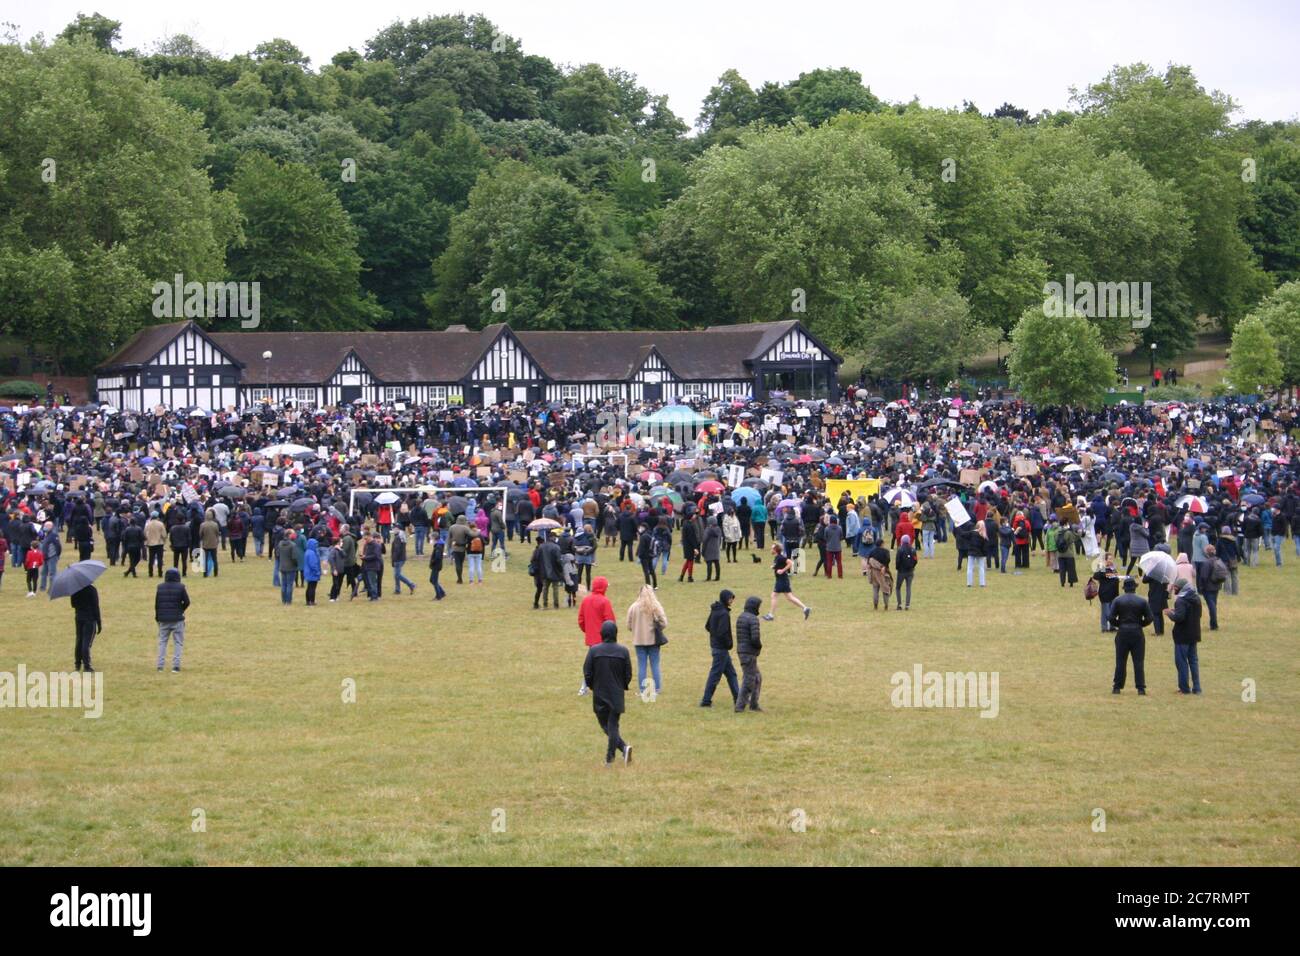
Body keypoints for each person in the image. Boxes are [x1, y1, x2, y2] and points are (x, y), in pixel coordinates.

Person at [582, 620, 633, 766]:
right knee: (612, 725)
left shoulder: (594, 651)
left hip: (599, 693)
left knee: (608, 725)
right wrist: (622, 686)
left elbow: (587, 672)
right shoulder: (623, 651)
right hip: (616, 694)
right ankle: (624, 748)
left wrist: (592, 686)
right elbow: (628, 673)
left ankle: (610, 759)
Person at [1108, 577, 1152, 694]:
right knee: (1138, 661)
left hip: (1122, 633)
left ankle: (1117, 687)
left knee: (1120, 661)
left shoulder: (1118, 600)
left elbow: (1111, 617)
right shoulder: (1142, 601)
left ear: (1124, 588)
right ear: (1134, 588)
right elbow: (1150, 618)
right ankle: (1141, 688)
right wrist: (1140, 624)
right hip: (1137, 633)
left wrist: (1120, 624)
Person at [626, 584, 668, 696]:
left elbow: (629, 625)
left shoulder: (633, 607)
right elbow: (664, 622)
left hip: (639, 640)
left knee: (641, 665)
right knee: (655, 664)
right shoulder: (655, 606)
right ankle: (657, 689)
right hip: (653, 640)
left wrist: (636, 629)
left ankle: (642, 690)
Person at [700, 589, 739, 708]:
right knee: (715, 675)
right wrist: (728, 644)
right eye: (730, 598)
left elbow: (707, 626)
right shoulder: (724, 613)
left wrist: (714, 636)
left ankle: (738, 698)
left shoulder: (715, 610)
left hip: (716, 647)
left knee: (731, 674)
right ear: (726, 599)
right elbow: (722, 633)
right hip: (721, 649)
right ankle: (706, 701)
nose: (732, 600)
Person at [1165, 578, 1203, 694]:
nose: (1174, 589)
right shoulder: (1196, 598)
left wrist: (1170, 613)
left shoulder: (1180, 601)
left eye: (1176, 587)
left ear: (1181, 588)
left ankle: (1184, 688)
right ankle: (1197, 688)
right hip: (1194, 634)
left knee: (1181, 662)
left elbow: (1179, 618)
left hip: (1182, 636)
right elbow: (1198, 615)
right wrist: (1176, 611)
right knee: (1193, 661)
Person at [155, 567, 191, 672]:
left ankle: (160, 666)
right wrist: (181, 610)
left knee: (162, 642)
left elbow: (157, 604)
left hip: (163, 620)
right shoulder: (181, 587)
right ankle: (176, 666)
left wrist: (158, 617)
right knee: (178, 642)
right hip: (177, 619)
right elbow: (187, 602)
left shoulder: (160, 587)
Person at [765, 543, 810, 621]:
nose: (771, 550)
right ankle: (805, 608)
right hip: (782, 580)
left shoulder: (780, 557)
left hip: (782, 580)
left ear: (775, 550)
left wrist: (782, 570)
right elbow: (779, 565)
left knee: (774, 596)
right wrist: (774, 567)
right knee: (790, 597)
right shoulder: (777, 558)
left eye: (772, 548)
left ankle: (771, 615)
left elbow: (791, 563)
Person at [735, 595, 764, 712]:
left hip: (742, 651)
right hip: (749, 653)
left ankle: (754, 704)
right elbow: (755, 638)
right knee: (749, 679)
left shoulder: (741, 617)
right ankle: (740, 706)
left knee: (757, 677)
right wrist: (759, 646)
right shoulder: (753, 619)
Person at [71, 582, 101, 673]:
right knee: (86, 642)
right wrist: (99, 622)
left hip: (79, 617)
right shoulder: (92, 590)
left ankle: (77, 664)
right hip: (89, 618)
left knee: (79, 640)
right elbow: (96, 607)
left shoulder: (74, 589)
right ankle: (87, 666)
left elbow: (73, 604)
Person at [1196, 544, 1227, 631]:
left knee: (1211, 606)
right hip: (1216, 586)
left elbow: (1203, 577)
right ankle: (1213, 624)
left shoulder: (1207, 563)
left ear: (1206, 553)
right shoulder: (1218, 560)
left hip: (1208, 588)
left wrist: (1201, 587)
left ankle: (1214, 625)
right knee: (1213, 605)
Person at [1091, 553, 1120, 632]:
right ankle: (1106, 627)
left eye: (1111, 559)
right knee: (1107, 612)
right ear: (1105, 560)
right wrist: (1102, 567)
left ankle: (1110, 627)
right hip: (1105, 594)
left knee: (1110, 611)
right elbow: (1095, 576)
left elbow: (1116, 578)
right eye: (1109, 559)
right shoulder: (1102, 568)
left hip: (1113, 593)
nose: (1111, 561)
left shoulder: (1113, 568)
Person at [390, 526, 416, 595]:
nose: (394, 530)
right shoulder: (401, 536)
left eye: (396, 529)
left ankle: (411, 584)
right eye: (394, 528)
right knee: (396, 575)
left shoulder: (398, 538)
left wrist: (394, 559)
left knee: (397, 575)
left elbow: (397, 550)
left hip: (398, 559)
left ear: (399, 529)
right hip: (401, 558)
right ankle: (397, 590)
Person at [894, 534, 917, 610]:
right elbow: (915, 560)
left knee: (898, 588)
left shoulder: (900, 549)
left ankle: (899, 604)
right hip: (910, 571)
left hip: (901, 571)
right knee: (908, 588)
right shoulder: (913, 549)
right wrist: (912, 567)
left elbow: (897, 561)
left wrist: (898, 568)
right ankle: (907, 605)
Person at [276, 530, 299, 604]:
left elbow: (277, 554)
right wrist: (296, 564)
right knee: (289, 584)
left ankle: (284, 600)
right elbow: (294, 557)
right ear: (289, 535)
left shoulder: (280, 544)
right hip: (291, 567)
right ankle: (288, 601)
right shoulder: (293, 545)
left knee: (284, 584)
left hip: (282, 566)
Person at [39, 521, 61, 593]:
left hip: (52, 556)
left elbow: (58, 546)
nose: (44, 527)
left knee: (52, 573)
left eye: (46, 526)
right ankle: (42, 587)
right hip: (45, 557)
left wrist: (57, 555)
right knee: (43, 573)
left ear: (51, 527)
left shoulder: (54, 535)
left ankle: (52, 588)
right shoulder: (46, 534)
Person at [200, 508, 221, 577]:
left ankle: (205, 573)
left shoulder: (203, 525)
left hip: (205, 544)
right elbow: (217, 533)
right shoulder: (215, 524)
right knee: (214, 559)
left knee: (205, 559)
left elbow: (200, 534)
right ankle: (216, 573)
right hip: (213, 544)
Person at [302, 538, 322, 606]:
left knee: (309, 587)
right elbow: (313, 564)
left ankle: (308, 601)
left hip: (308, 572)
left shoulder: (307, 551)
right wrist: (317, 572)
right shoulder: (312, 553)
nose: (316, 546)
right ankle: (312, 601)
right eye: (315, 544)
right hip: (312, 573)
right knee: (312, 588)